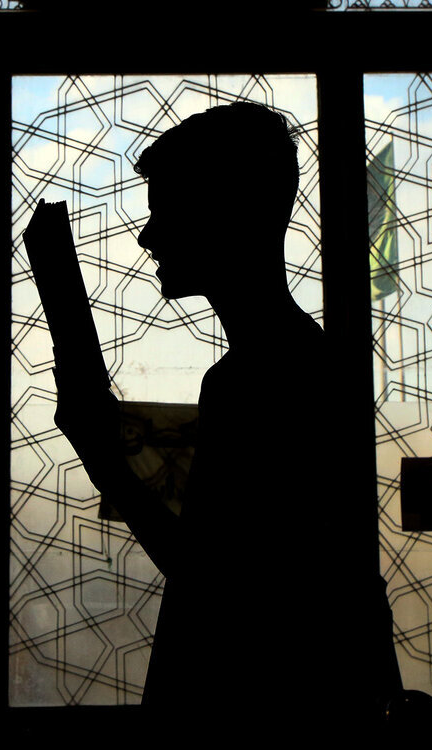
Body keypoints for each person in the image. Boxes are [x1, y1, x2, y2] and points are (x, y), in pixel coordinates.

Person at [53, 103, 400, 726]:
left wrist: (105, 461)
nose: (148, 237)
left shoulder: (263, 379)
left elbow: (219, 583)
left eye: (166, 212)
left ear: (225, 215)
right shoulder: (293, 363)